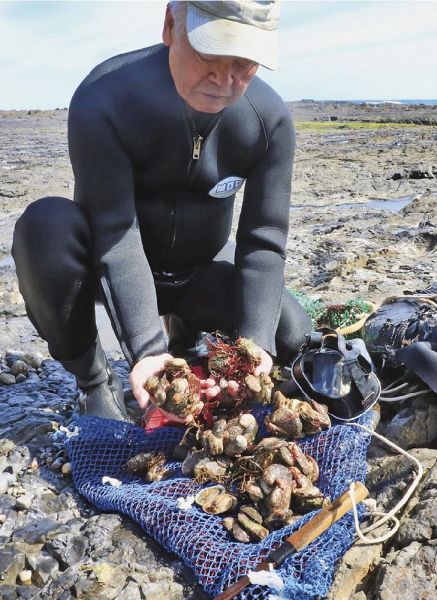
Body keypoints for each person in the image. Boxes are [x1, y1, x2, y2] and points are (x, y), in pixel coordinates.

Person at [12, 0, 312, 422]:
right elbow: (114, 228)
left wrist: (254, 347)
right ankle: (95, 380)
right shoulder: (106, 97)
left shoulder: (270, 121)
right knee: (44, 228)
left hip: (198, 272)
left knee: (292, 334)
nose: (224, 80)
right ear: (172, 24)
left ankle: (186, 336)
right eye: (210, 54)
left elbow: (264, 241)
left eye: (245, 63)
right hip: (108, 269)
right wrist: (147, 352)